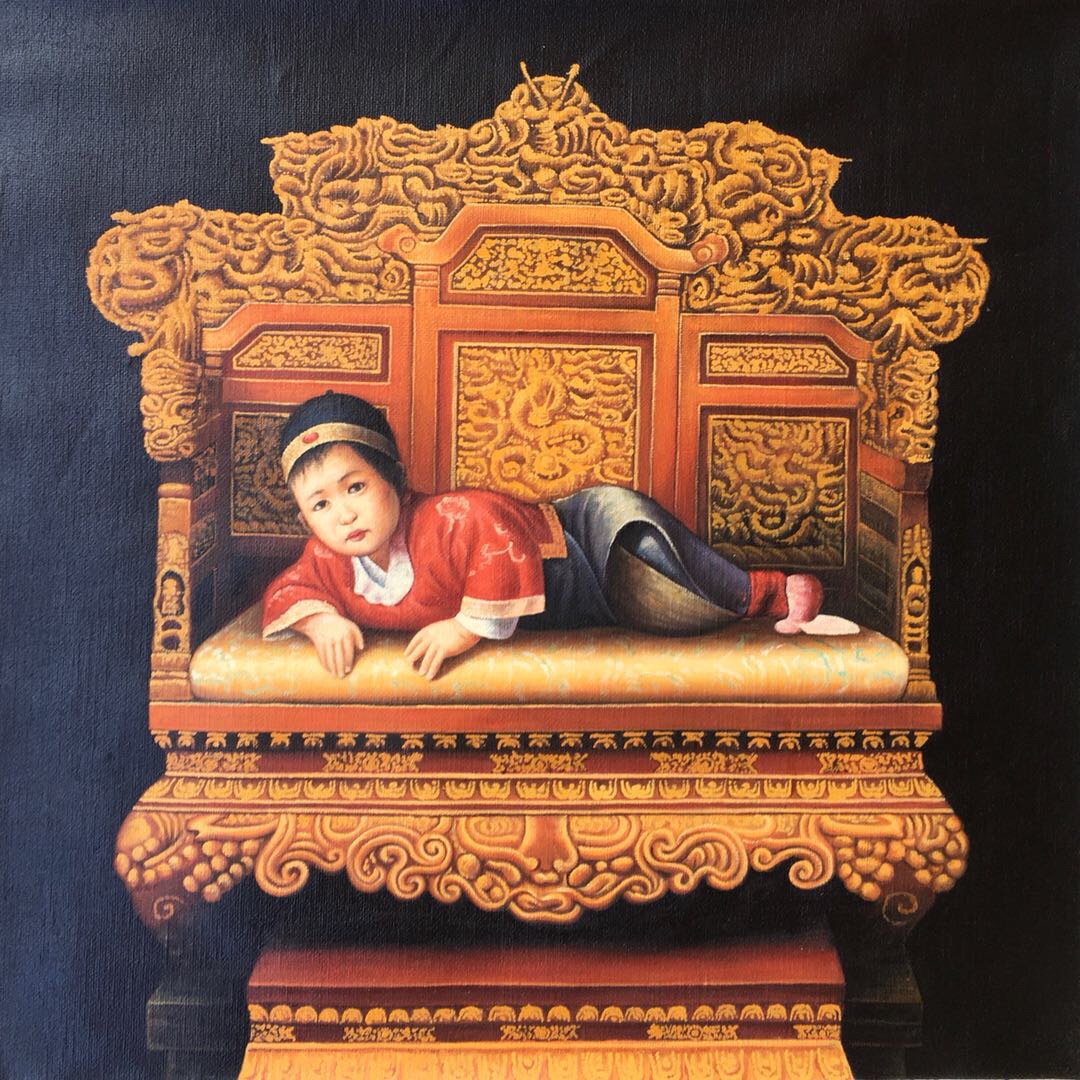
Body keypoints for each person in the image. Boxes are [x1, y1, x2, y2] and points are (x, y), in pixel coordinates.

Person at [262, 392, 857, 679]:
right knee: (663, 602)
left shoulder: (449, 516)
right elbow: (290, 589)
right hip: (584, 607)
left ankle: (772, 591)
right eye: (321, 504)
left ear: (394, 478)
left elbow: (496, 536)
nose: (343, 515)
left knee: (657, 561)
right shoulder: (329, 558)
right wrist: (322, 621)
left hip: (585, 544)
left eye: (356, 487)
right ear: (306, 517)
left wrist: (464, 628)